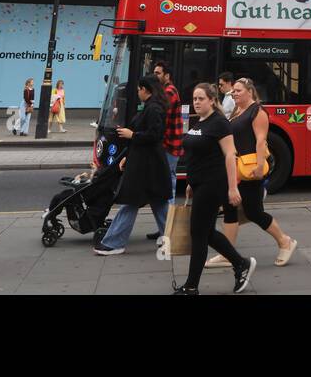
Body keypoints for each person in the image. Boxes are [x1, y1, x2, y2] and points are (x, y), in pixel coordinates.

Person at [206, 77, 297, 267]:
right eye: (233, 92)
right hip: (236, 170)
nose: (234, 94)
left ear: (250, 91)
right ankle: (227, 254)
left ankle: (285, 241)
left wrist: (259, 165)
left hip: (250, 169)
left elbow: (261, 140)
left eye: (238, 91)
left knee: (254, 212)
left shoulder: (258, 111)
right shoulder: (239, 111)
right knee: (230, 209)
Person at [174, 83, 254, 295]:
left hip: (213, 184)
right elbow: (197, 155)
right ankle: (240, 263)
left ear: (211, 100)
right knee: (207, 233)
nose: (197, 102)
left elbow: (230, 155)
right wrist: (191, 182)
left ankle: (191, 286)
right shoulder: (199, 122)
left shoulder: (219, 123)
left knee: (198, 233)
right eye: (194, 99)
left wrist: (232, 188)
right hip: (199, 183)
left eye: (201, 98)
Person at [93, 75, 172, 254]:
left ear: (146, 90)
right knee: (157, 203)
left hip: (146, 166)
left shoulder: (154, 109)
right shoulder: (152, 107)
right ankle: (172, 239)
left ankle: (114, 243)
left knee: (130, 201)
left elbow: (155, 135)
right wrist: (127, 156)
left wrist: (132, 135)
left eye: (139, 89)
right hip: (147, 164)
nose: (137, 93)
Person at [147, 61, 184, 241]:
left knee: (168, 187)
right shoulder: (163, 91)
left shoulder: (169, 92)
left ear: (167, 76)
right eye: (154, 72)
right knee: (163, 185)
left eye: (158, 73)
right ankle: (164, 226)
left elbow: (161, 114)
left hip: (170, 146)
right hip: (167, 145)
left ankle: (168, 229)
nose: (155, 75)